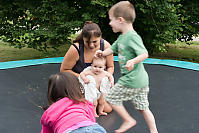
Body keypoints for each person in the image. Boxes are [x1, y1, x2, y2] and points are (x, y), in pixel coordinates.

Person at [95, 1, 158, 133]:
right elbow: (112, 49)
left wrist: (133, 61)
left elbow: (144, 53)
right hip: (141, 81)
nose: (110, 23)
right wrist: (102, 53)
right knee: (143, 108)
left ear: (120, 20)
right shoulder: (122, 37)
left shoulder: (132, 37)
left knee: (110, 97)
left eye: (111, 20)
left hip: (132, 78)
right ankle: (154, 131)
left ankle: (128, 120)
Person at [60, 21, 114, 113]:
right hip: (80, 83)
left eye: (95, 42)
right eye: (87, 42)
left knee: (108, 109)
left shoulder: (106, 46)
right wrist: (85, 78)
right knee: (85, 109)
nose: (91, 45)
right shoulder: (76, 49)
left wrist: (103, 79)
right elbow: (64, 70)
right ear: (83, 39)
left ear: (100, 37)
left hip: (99, 85)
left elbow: (110, 66)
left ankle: (94, 101)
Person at [40, 72, 107, 133]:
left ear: (52, 93)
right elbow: (91, 121)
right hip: (94, 129)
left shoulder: (50, 111)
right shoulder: (85, 103)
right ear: (77, 88)